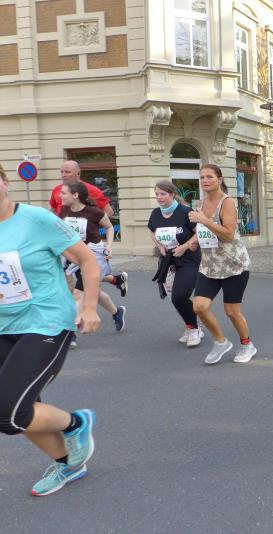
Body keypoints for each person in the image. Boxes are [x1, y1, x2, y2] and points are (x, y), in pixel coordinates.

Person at [0, 163, 101, 496]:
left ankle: (76, 423)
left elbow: (87, 260)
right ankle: (68, 464)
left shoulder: (36, 219)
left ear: (5, 183)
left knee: (8, 412)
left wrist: (89, 306)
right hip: (4, 325)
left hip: (46, 320)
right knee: (22, 406)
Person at [189, 164, 256, 365]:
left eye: (209, 176)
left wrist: (204, 220)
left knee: (231, 311)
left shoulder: (227, 203)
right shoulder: (201, 203)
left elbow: (228, 234)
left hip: (233, 265)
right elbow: (204, 231)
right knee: (199, 307)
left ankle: (247, 345)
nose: (205, 180)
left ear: (219, 179)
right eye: (202, 177)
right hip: (209, 265)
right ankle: (220, 342)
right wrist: (194, 242)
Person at [49, 160, 127, 298]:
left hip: (89, 248)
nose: (63, 175)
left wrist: (88, 226)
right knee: (81, 283)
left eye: (67, 172)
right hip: (68, 246)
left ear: (78, 173)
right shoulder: (57, 191)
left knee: (82, 287)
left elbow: (108, 213)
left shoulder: (92, 190)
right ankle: (115, 283)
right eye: (61, 172)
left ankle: (75, 308)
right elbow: (54, 213)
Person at [59, 181, 127, 333]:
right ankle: (117, 312)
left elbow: (109, 227)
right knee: (94, 292)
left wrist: (109, 246)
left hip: (93, 257)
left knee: (78, 293)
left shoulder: (94, 212)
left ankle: (71, 332)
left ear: (75, 195)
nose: (60, 195)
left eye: (63, 193)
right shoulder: (64, 211)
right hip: (74, 257)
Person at [148, 180, 203, 347]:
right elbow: (152, 232)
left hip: (189, 260)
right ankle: (190, 326)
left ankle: (194, 329)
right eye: (157, 194)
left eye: (163, 194)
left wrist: (185, 246)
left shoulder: (185, 212)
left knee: (180, 296)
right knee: (176, 298)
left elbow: (199, 232)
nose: (159, 197)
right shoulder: (155, 213)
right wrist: (159, 246)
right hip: (169, 261)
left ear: (172, 194)